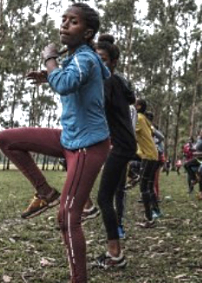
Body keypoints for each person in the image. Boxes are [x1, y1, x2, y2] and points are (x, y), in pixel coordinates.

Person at [0, 2, 111, 283]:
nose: (64, 25)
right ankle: (45, 192)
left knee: (68, 218)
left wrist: (50, 61)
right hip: (69, 138)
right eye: (63, 19)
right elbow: (67, 80)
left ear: (87, 33)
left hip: (87, 146)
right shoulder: (77, 58)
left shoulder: (85, 58)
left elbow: (65, 84)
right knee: (7, 139)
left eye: (73, 22)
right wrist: (51, 74)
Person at [91, 34, 136, 269]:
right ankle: (115, 250)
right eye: (96, 59)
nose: (100, 63)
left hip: (120, 145)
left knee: (103, 198)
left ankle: (115, 254)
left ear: (114, 61)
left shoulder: (108, 82)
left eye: (104, 59)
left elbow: (96, 105)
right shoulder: (118, 81)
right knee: (112, 194)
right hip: (123, 144)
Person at [134, 99, 160, 227]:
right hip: (151, 154)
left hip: (148, 155)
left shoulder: (138, 118)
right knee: (148, 186)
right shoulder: (144, 118)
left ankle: (149, 219)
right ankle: (154, 211)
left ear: (138, 106)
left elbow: (131, 132)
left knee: (143, 186)